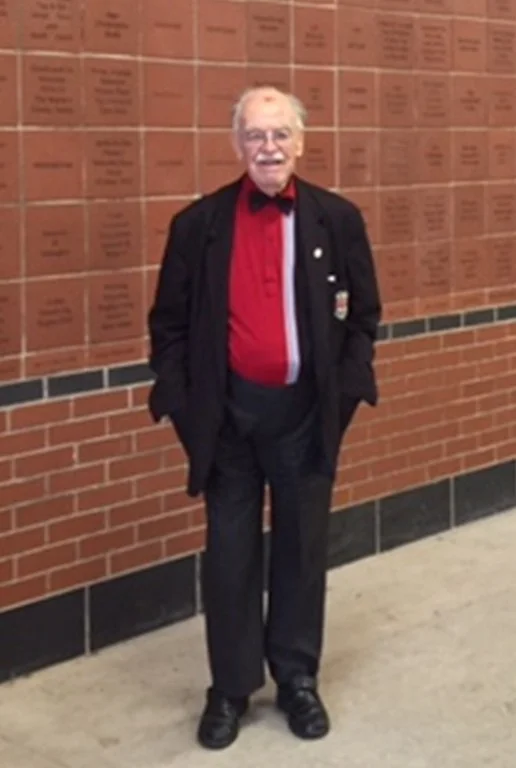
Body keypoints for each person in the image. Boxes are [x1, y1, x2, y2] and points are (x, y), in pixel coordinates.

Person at [147, 86, 381, 750]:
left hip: (306, 415)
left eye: (280, 134)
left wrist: (342, 397)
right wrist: (187, 408)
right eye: (255, 134)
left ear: (300, 142)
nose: (268, 147)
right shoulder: (198, 226)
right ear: (237, 144)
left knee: (303, 551)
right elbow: (167, 327)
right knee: (230, 556)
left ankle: (297, 679)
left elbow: (363, 316)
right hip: (228, 421)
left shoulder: (337, 220)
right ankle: (230, 687)